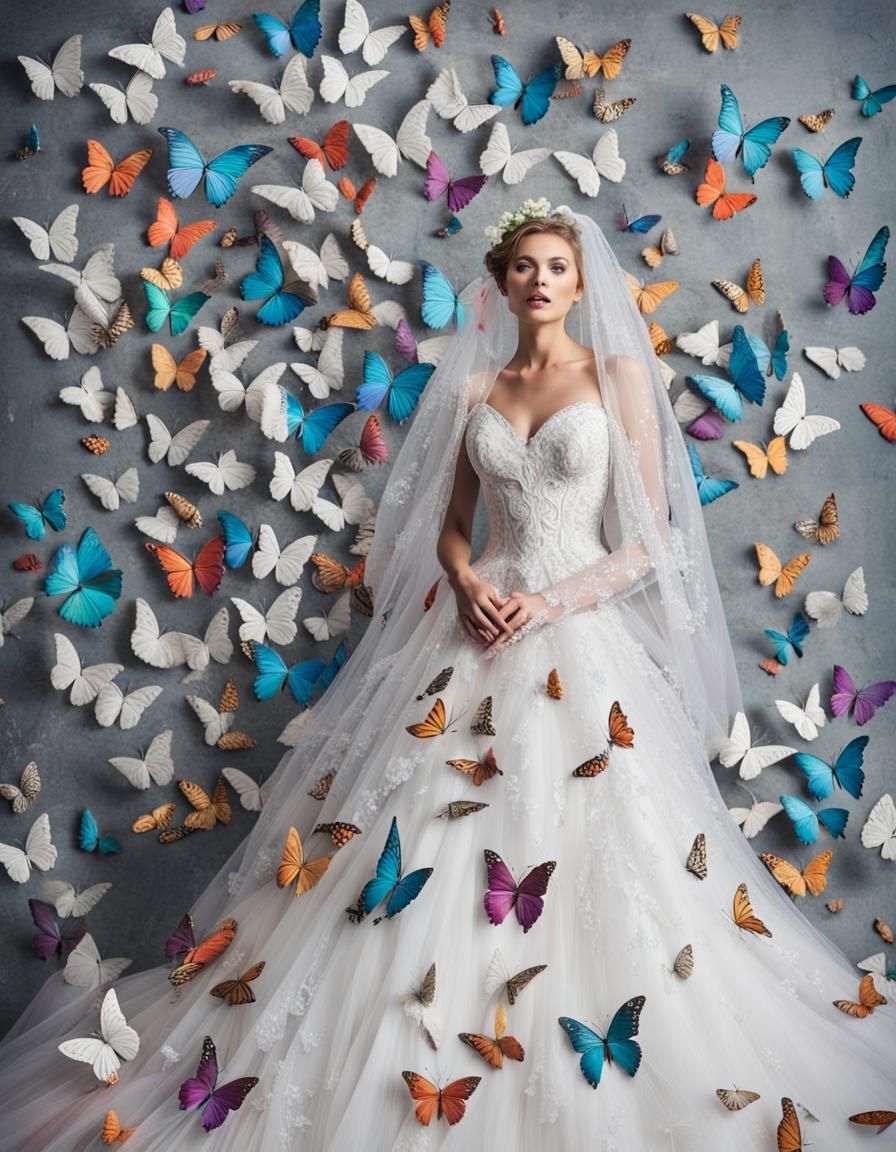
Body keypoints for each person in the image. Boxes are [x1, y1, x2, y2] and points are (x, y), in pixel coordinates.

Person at [0, 202, 892, 1151]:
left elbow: (648, 542)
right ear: (500, 282)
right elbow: (451, 528)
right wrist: (466, 581)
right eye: (523, 267)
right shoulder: (477, 391)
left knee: (601, 846)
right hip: (472, 634)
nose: (540, 280)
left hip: (573, 635)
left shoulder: (621, 375)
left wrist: (548, 604)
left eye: (556, 266)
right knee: (411, 840)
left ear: (581, 283)